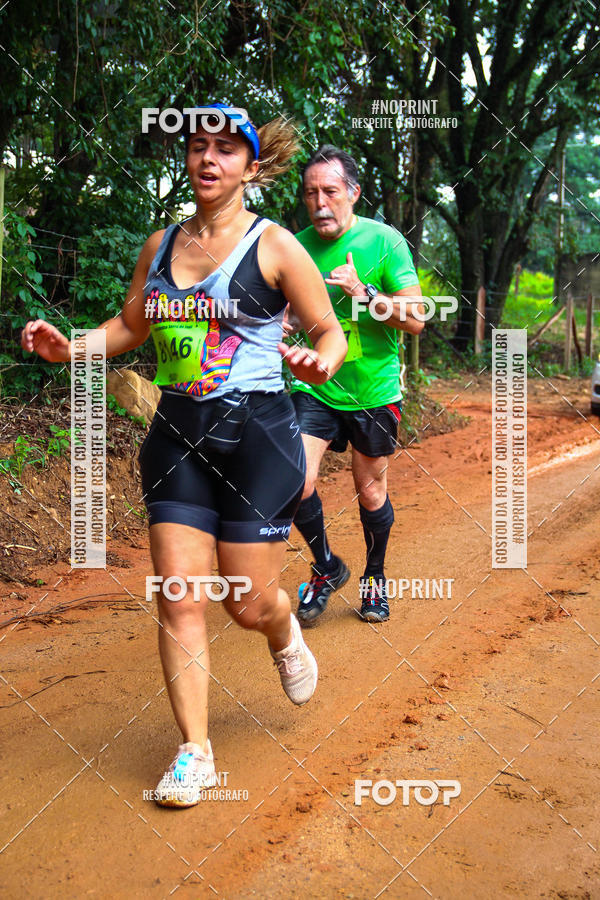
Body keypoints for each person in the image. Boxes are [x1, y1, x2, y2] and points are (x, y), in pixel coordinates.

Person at [21, 106, 347, 808]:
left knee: (246, 603)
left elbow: (330, 331)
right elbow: (130, 325)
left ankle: (283, 628)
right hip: (178, 438)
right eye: (198, 146)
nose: (208, 159)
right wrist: (71, 347)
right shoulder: (161, 243)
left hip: (258, 439)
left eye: (226, 149)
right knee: (179, 595)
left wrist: (321, 361)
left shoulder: (275, 246)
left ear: (251, 166)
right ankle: (194, 753)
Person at [287, 144, 424, 625]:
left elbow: (416, 319)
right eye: (310, 193)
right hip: (316, 385)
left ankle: (375, 577)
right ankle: (326, 566)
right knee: (295, 480)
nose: (319, 202)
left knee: (370, 492)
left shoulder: (385, 241)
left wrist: (363, 292)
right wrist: (281, 323)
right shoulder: (295, 245)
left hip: (372, 392)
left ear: (353, 193)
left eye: (329, 191)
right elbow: (287, 312)